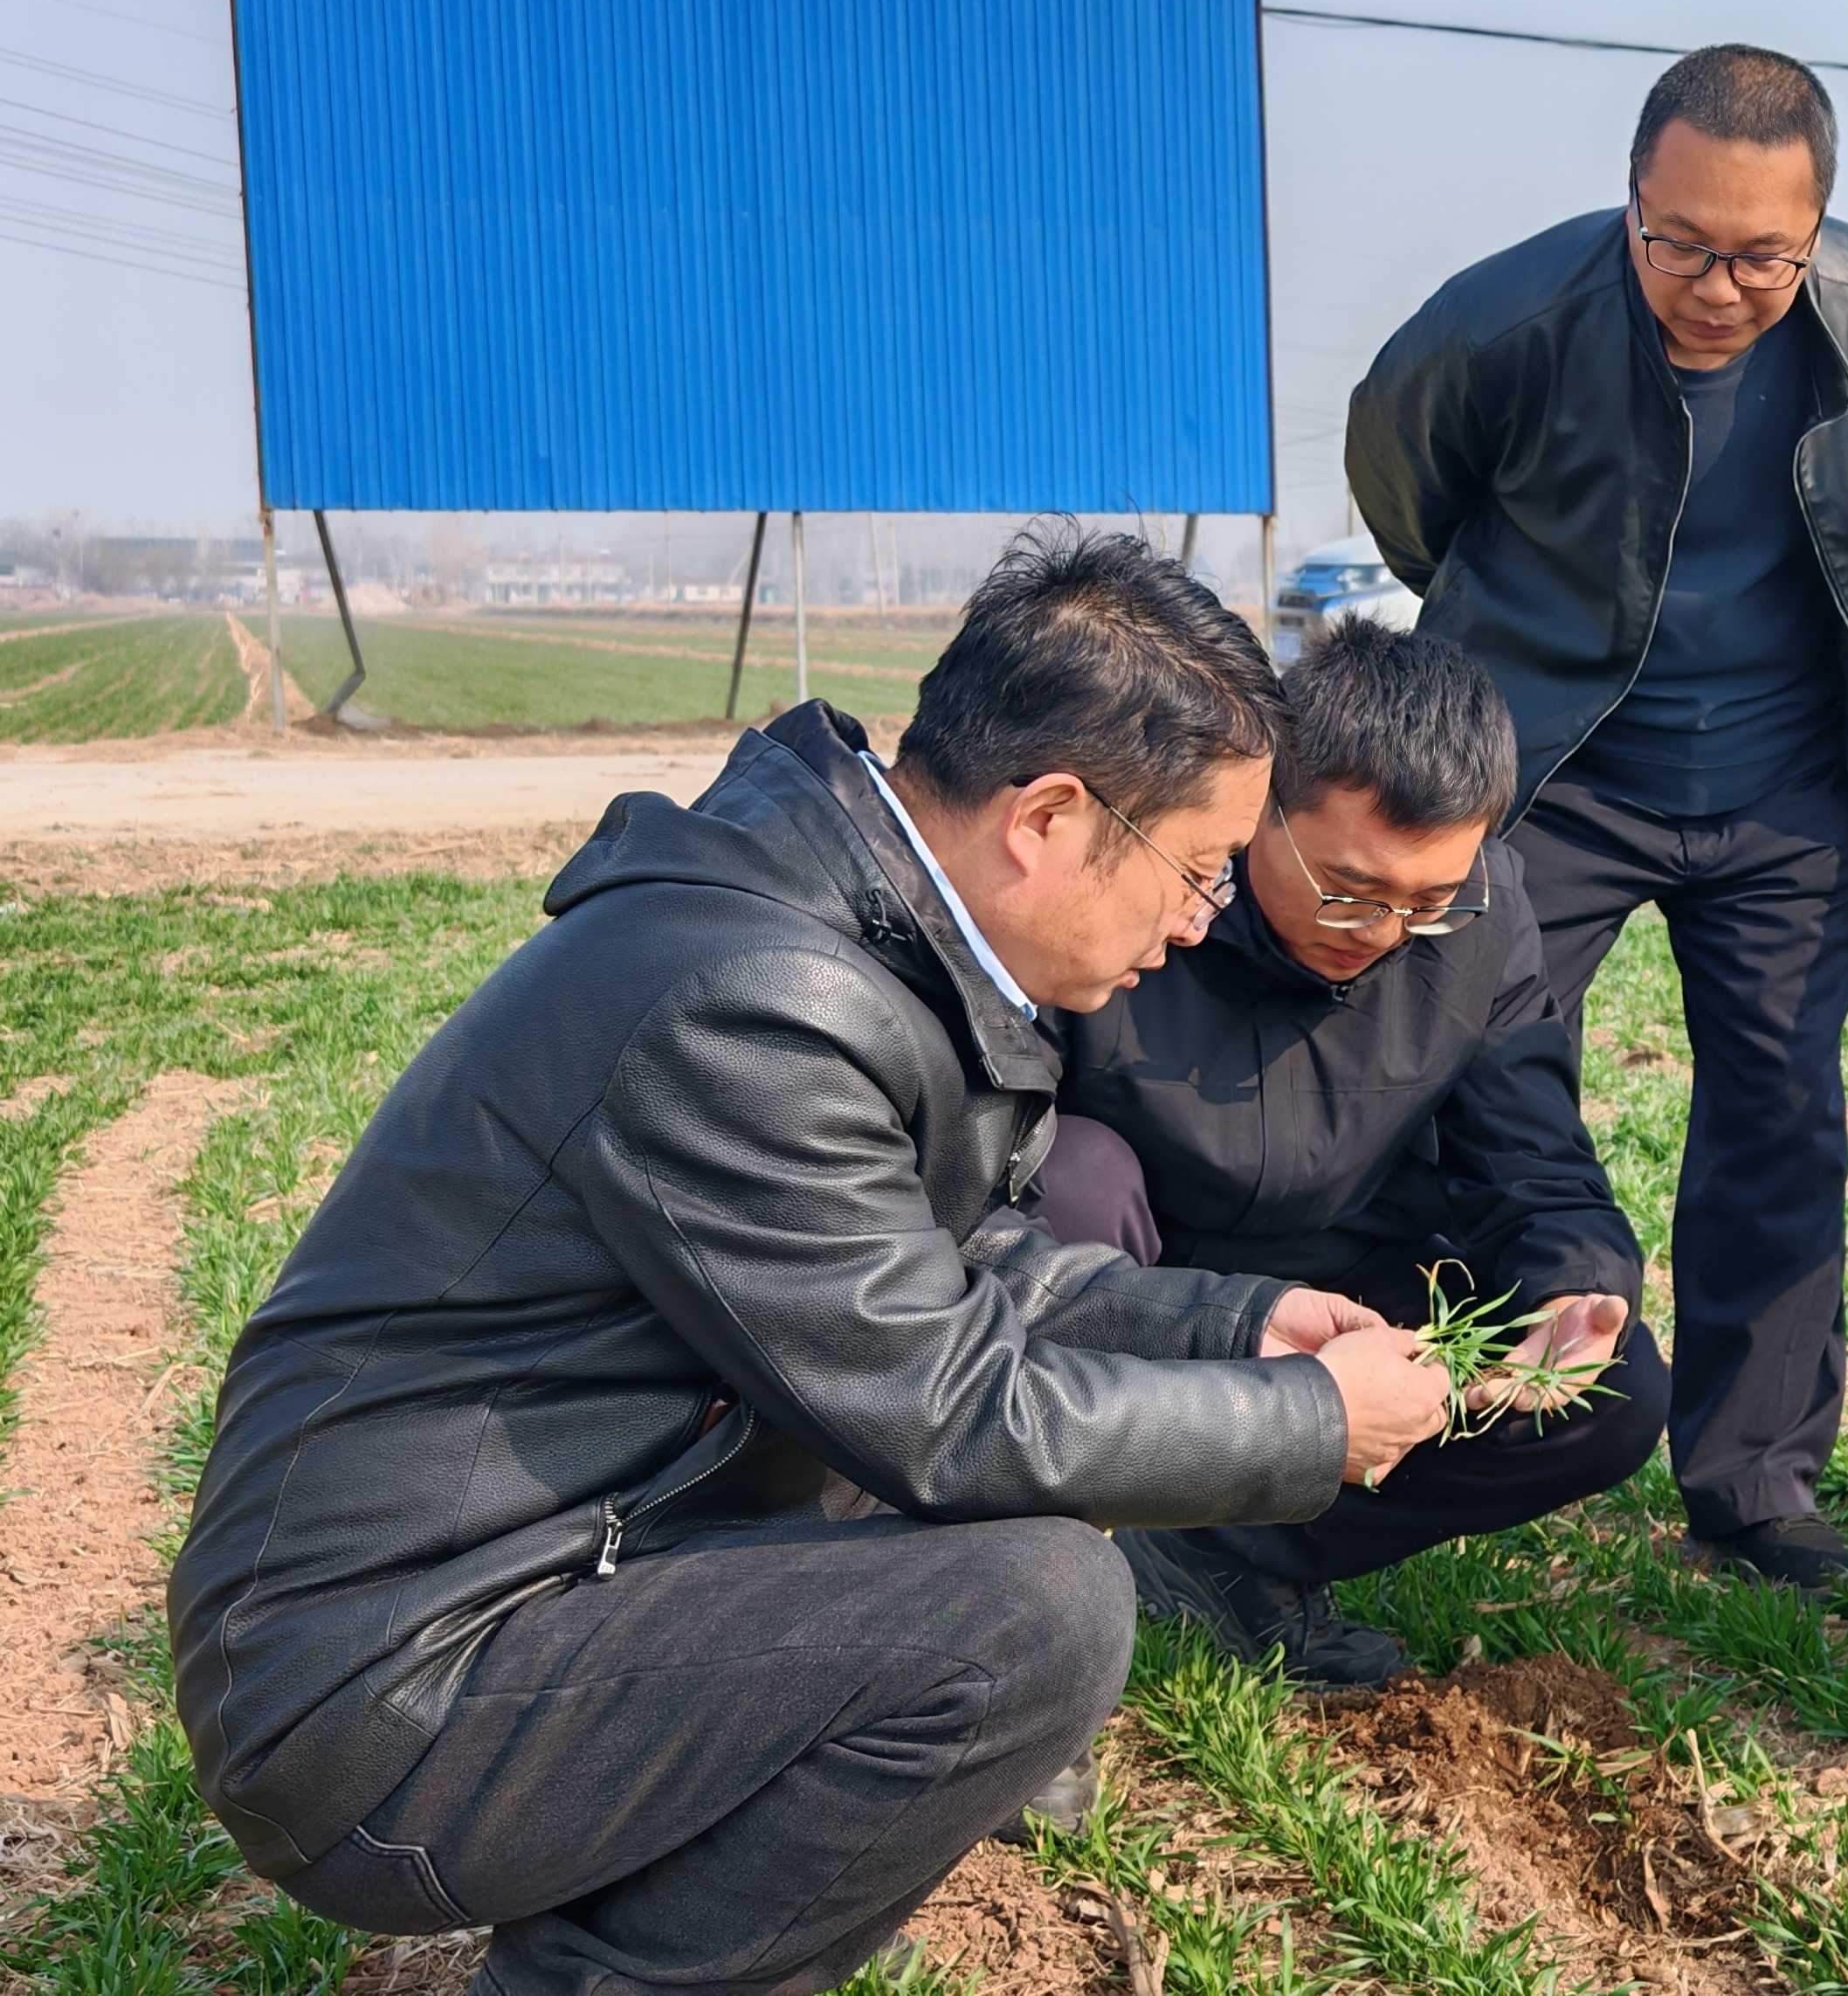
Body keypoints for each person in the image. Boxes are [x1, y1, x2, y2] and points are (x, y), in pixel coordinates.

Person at [169, 532, 1452, 1988]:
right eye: (1198, 870)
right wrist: (1313, 1424)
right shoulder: (755, 1001)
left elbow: (958, 1270)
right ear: (1047, 816)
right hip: (381, 1704)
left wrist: (1240, 1330)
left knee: (978, 1559)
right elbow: (950, 1407)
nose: (1195, 919)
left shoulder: (857, 938)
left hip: (512, 1594)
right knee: (1030, 1612)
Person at [1346, 44, 1848, 1587]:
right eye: (1676, 242)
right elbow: (1406, 486)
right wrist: (1525, 646)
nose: (1717, 282)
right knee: (1473, 1076)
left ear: (1821, 228)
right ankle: (1467, 1404)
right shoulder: (1504, 323)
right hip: (1552, 772)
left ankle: (1755, 1476)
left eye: (1763, 254)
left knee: (1777, 1114)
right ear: (1631, 199)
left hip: (1779, 784)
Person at [1027, 617, 1669, 1682]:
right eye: (1347, 886)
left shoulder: (1485, 916)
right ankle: (1061, 1544)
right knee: (1071, 1173)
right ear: (1262, 805)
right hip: (1139, 1286)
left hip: (1344, 1283)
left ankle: (1216, 1554)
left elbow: (1532, 1161)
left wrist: (1571, 1290)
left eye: (1427, 901)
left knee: (1615, 1398)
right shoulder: (1146, 889)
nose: (1378, 926)